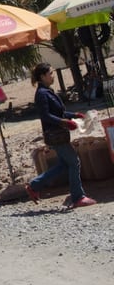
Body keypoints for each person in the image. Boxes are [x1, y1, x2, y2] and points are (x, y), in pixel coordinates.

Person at [25, 63, 95, 207]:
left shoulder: (47, 91)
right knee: (74, 162)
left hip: (59, 134)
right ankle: (78, 197)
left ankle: (34, 186)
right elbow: (45, 116)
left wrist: (73, 115)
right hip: (55, 135)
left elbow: (58, 112)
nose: (53, 75)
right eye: (50, 73)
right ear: (42, 76)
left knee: (64, 164)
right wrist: (64, 122)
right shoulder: (42, 94)